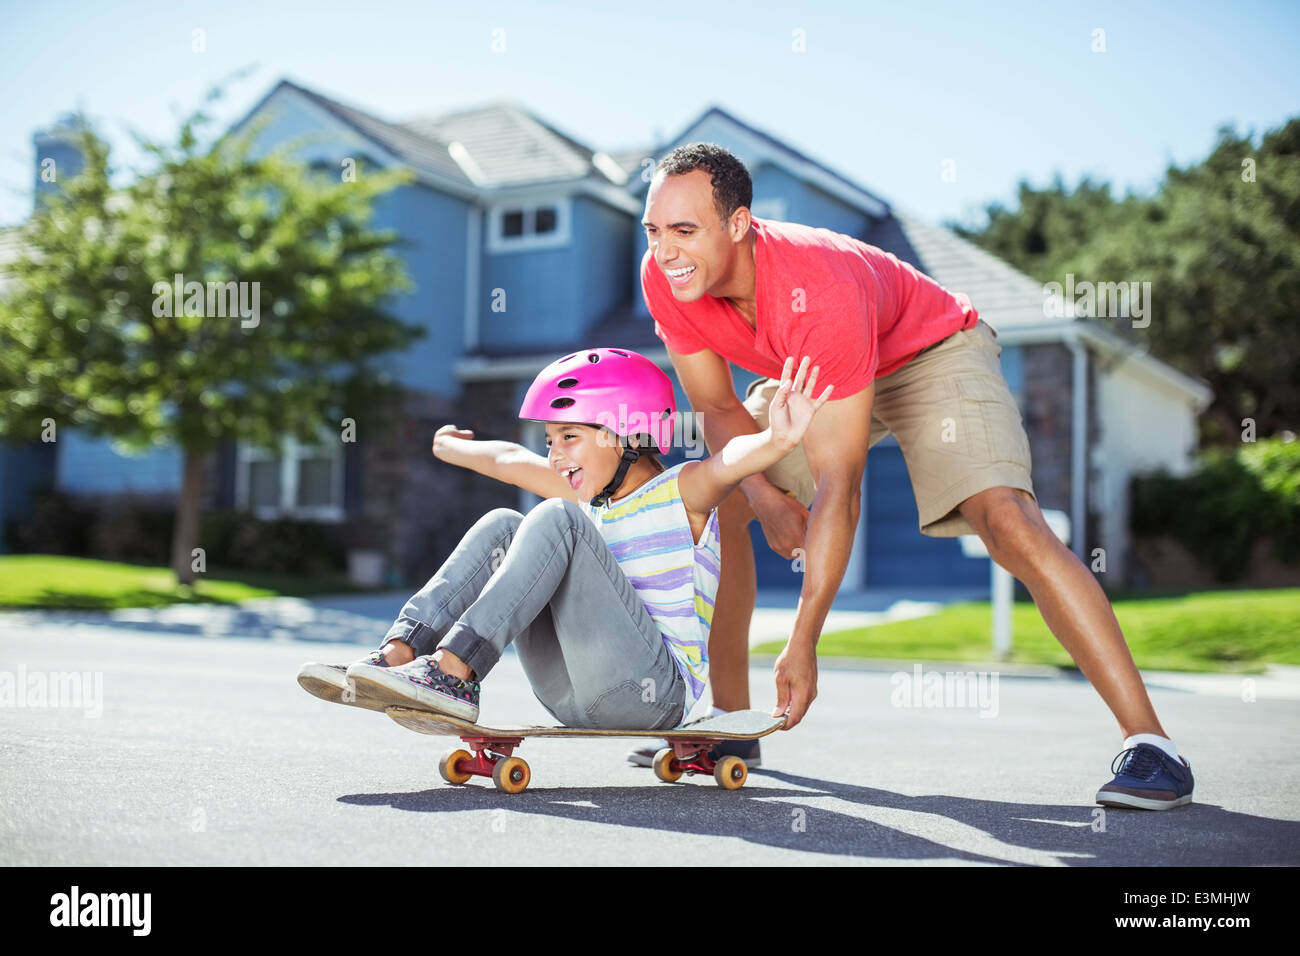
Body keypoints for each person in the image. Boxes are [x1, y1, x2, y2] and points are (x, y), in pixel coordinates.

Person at [628, 142, 1194, 811]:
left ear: (739, 224)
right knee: (715, 498)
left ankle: (1152, 746)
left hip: (929, 353)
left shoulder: (821, 284)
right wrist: (766, 499)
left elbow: (842, 482)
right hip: (817, 370)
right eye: (654, 230)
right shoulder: (666, 278)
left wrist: (802, 640)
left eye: (685, 231)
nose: (665, 250)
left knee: (1006, 518)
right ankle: (730, 728)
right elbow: (719, 406)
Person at [297, 347, 832, 734]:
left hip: (652, 693)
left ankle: (455, 672)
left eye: (569, 437)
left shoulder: (682, 492)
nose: (555, 456)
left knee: (555, 518)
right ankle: (398, 656)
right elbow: (509, 461)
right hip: (569, 691)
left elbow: (727, 465)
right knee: (506, 525)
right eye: (551, 441)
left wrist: (777, 439)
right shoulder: (587, 498)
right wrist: (451, 448)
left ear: (629, 432)